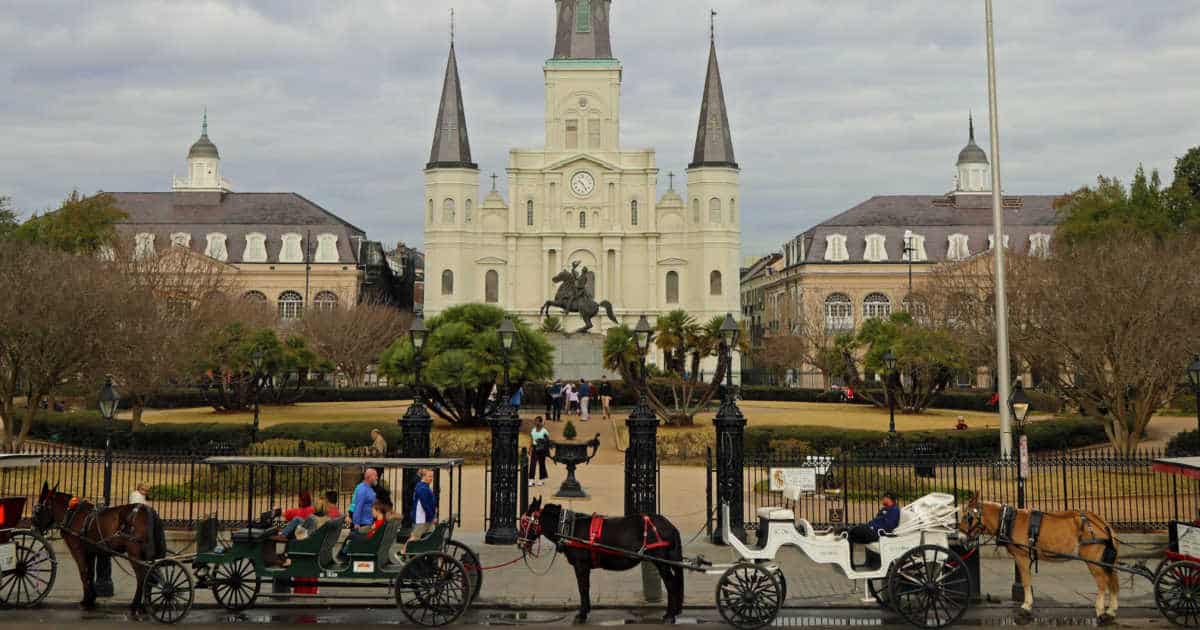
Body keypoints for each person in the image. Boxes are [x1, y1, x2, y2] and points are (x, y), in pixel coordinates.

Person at [402, 468, 438, 553]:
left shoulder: (423, 487)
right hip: (421, 518)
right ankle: (402, 552)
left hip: (425, 518)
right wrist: (433, 516)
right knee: (415, 537)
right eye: (429, 476)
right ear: (424, 477)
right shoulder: (422, 488)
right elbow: (426, 505)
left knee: (429, 536)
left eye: (432, 476)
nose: (431, 478)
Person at [529, 417, 550, 487]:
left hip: (542, 449)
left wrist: (546, 451)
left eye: (538, 421)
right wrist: (530, 449)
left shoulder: (544, 431)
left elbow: (547, 441)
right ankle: (531, 480)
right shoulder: (533, 430)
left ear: (541, 422)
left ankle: (541, 479)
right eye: (535, 421)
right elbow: (531, 440)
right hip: (535, 448)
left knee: (542, 464)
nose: (536, 423)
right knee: (532, 464)